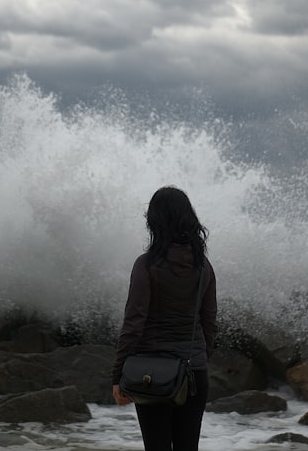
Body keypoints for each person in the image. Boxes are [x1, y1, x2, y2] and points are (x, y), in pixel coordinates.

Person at [112, 186, 218, 451]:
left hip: (152, 374)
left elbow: (134, 323)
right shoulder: (204, 267)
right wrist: (200, 359)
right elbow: (209, 323)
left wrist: (118, 375)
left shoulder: (147, 265)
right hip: (194, 372)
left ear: (155, 221)